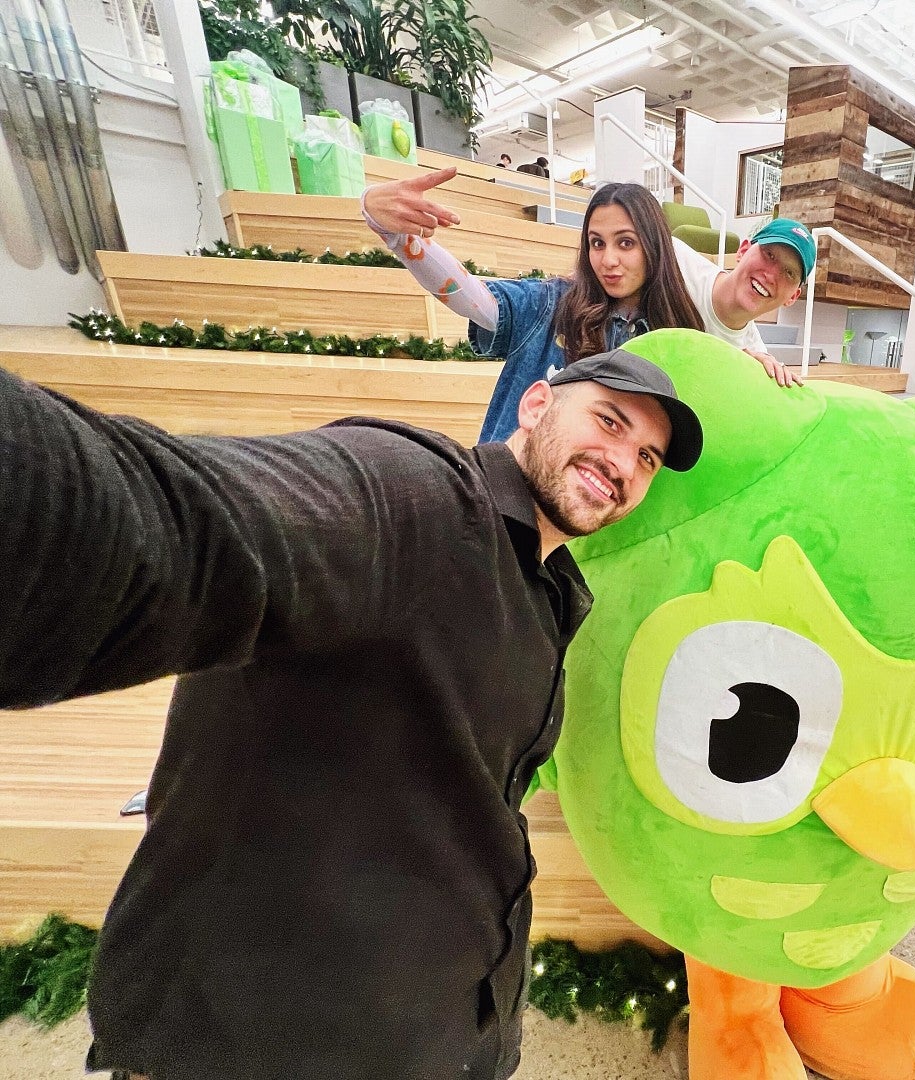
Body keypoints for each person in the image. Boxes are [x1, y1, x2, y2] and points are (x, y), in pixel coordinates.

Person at [0, 347, 702, 1080]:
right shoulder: (415, 492)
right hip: (252, 1042)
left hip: (426, 1033)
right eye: (609, 422)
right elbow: (178, 522)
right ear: (533, 406)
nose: (623, 462)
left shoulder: (551, 590)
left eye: (647, 457)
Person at [362, 170, 809, 442]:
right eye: (597, 243)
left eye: (626, 243)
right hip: (506, 508)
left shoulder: (679, 337)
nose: (608, 260)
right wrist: (397, 237)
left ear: (655, 248)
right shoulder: (554, 305)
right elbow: (475, 300)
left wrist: (754, 373)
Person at [669, 217, 816, 387]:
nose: (771, 276)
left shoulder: (755, 359)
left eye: (789, 273)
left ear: (793, 297)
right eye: (769, 255)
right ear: (743, 250)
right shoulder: (672, 261)